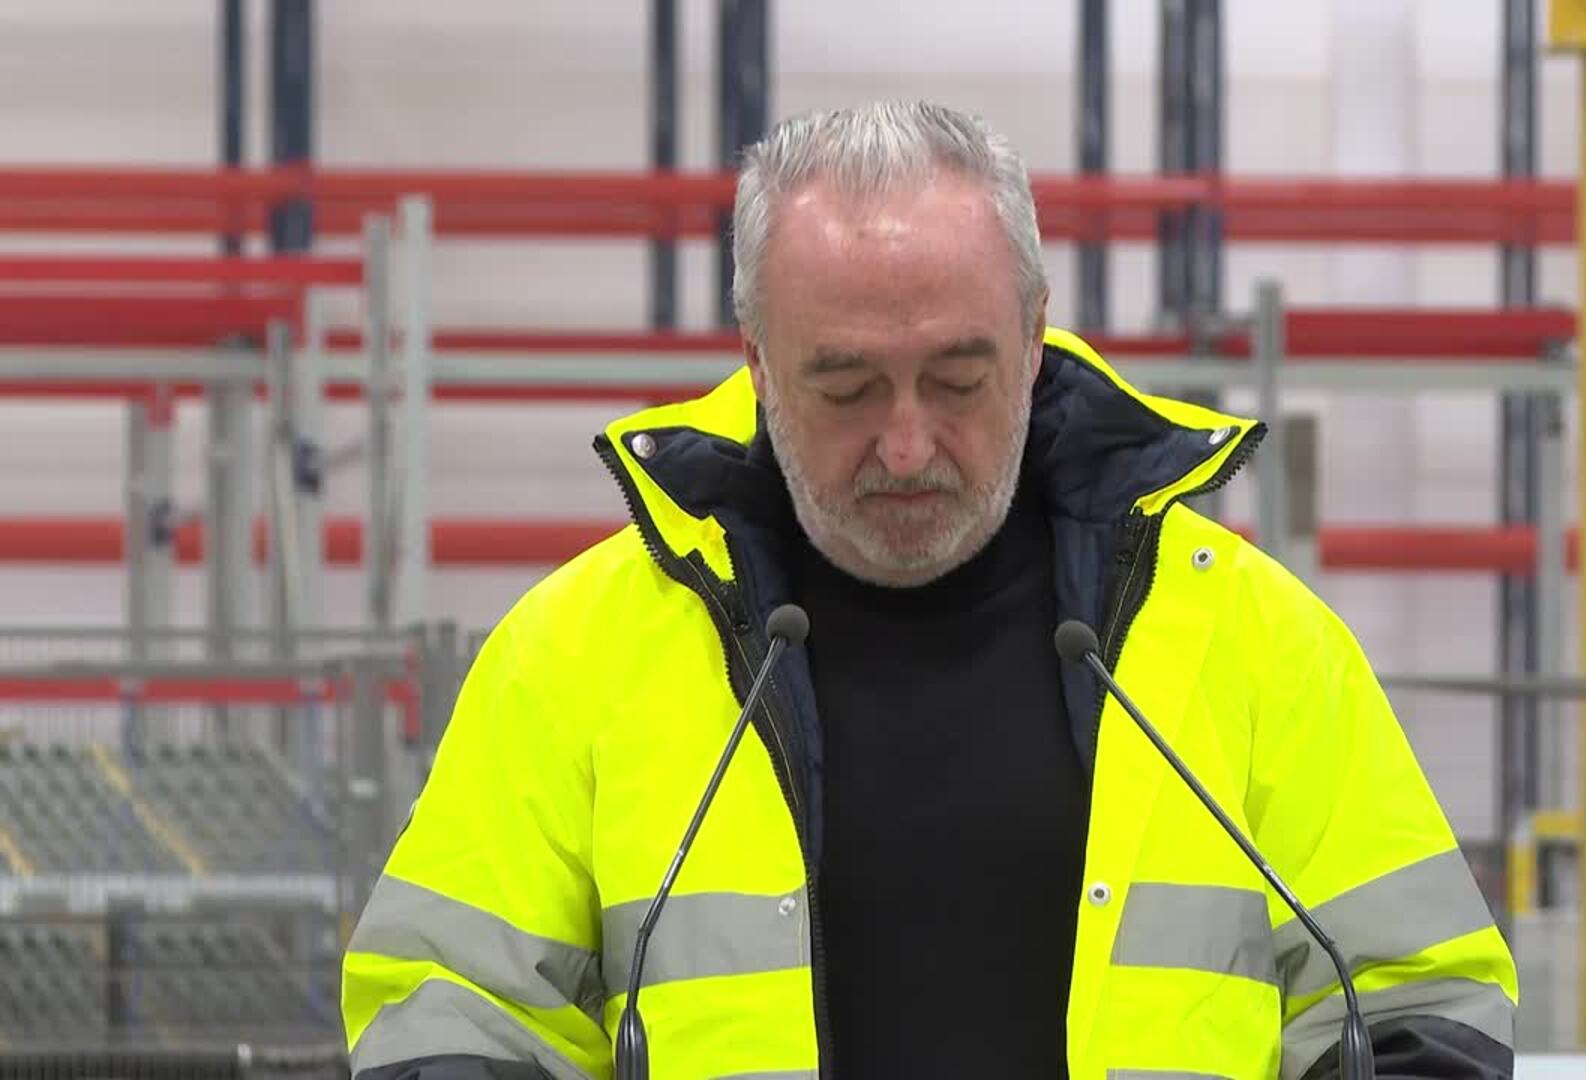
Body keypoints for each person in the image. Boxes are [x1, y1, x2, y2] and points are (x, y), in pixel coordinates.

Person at [340, 100, 1518, 1080]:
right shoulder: (577, 656)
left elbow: (1421, 1004)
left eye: (958, 380)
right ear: (757, 363)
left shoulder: (1251, 641)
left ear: (1035, 337)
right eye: (846, 388)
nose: (907, 446)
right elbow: (447, 1014)